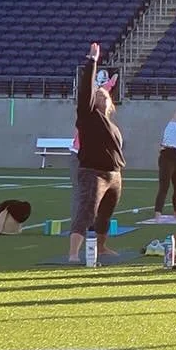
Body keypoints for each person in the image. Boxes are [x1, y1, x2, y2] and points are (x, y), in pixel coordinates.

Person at [65, 42, 123, 264]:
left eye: (105, 96)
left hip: (114, 173)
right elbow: (86, 92)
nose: (101, 97)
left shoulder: (110, 123)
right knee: (86, 212)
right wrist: (92, 61)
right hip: (93, 172)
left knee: (106, 213)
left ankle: (102, 245)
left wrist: (108, 86)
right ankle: (73, 253)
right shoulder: (88, 117)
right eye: (98, 96)